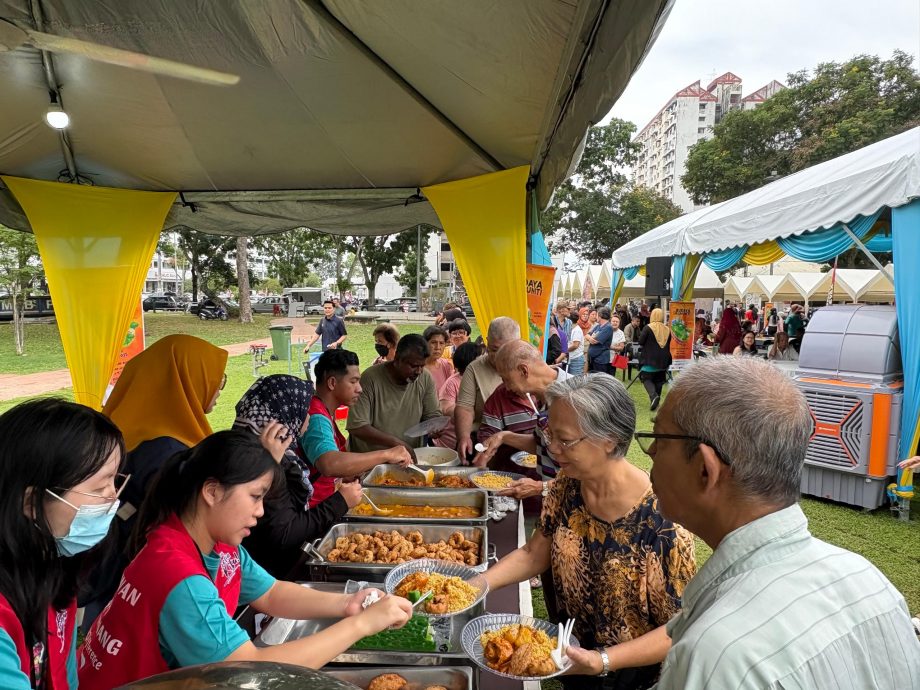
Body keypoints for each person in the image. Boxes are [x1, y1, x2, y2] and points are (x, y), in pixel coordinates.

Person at [643, 357, 920, 688]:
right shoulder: (868, 579)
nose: (650, 451)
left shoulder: (717, 656)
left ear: (706, 469)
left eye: (659, 438)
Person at [78, 431, 412, 689]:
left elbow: (271, 593)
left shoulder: (214, 543)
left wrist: (347, 604)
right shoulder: (181, 577)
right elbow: (246, 670)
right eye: (254, 497)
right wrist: (361, 625)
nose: (260, 511)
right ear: (212, 492)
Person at [485, 375, 696, 690]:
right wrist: (478, 584)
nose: (552, 448)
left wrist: (602, 661)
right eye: (550, 435)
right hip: (571, 657)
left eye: (565, 439)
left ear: (609, 439)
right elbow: (534, 553)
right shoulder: (567, 484)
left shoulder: (664, 524)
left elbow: (678, 629)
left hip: (630, 677)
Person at [82, 334, 228, 629]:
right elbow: (194, 524)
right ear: (187, 379)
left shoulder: (126, 430)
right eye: (217, 379)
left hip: (114, 579)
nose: (219, 389)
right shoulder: (167, 451)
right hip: (145, 591)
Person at [0, 399, 124, 690]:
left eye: (115, 481)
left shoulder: (53, 569)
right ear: (31, 503)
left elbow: (66, 677)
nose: (113, 498)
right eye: (99, 488)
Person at [233, 375, 362, 578]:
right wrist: (340, 501)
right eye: (305, 409)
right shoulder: (268, 460)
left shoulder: (267, 451)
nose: (308, 416)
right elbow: (284, 533)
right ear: (285, 412)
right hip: (269, 571)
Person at [302, 349, 412, 504]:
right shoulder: (317, 419)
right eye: (353, 382)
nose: (359, 389)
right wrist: (387, 454)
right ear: (332, 383)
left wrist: (351, 473)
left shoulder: (323, 411)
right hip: (316, 509)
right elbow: (330, 464)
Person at [476, 340, 573, 498]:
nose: (507, 387)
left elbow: (592, 470)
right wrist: (504, 436)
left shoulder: (573, 398)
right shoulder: (544, 399)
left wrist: (541, 487)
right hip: (555, 501)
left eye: (506, 379)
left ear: (523, 370)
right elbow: (543, 446)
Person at [347, 335, 441, 455]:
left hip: (409, 458)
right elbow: (357, 427)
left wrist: (434, 427)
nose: (419, 371)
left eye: (422, 366)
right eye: (413, 366)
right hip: (372, 459)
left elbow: (432, 415)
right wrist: (398, 444)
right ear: (397, 358)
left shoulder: (425, 378)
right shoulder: (370, 379)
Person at [455, 317, 521, 460]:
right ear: (486, 342)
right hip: (483, 441)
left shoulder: (526, 365)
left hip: (520, 442)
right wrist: (464, 437)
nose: (500, 356)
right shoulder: (474, 368)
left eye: (506, 350)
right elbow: (465, 407)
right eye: (494, 349)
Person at [433, 342, 482, 451]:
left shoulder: (481, 379)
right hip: (451, 445)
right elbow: (446, 410)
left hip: (474, 440)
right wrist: (470, 411)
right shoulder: (452, 382)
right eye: (480, 359)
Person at [638, 307, 671, 411]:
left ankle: (653, 396)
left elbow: (641, 341)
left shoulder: (648, 328)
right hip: (664, 360)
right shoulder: (667, 329)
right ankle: (656, 403)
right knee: (659, 380)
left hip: (650, 358)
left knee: (646, 378)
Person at [422, 325, 454, 391]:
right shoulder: (417, 367)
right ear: (425, 343)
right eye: (433, 343)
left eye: (441, 343)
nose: (438, 347)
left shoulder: (447, 365)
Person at [585, 306, 613, 373]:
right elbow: (586, 335)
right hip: (593, 359)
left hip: (601, 360)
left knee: (599, 378)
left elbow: (595, 341)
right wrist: (590, 337)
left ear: (600, 316)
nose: (595, 317)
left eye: (597, 315)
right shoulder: (598, 326)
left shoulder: (608, 327)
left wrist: (590, 337)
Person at [566, 303, 589, 375]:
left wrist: (564, 350)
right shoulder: (573, 329)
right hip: (573, 358)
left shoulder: (577, 330)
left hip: (576, 359)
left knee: (576, 379)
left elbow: (575, 345)